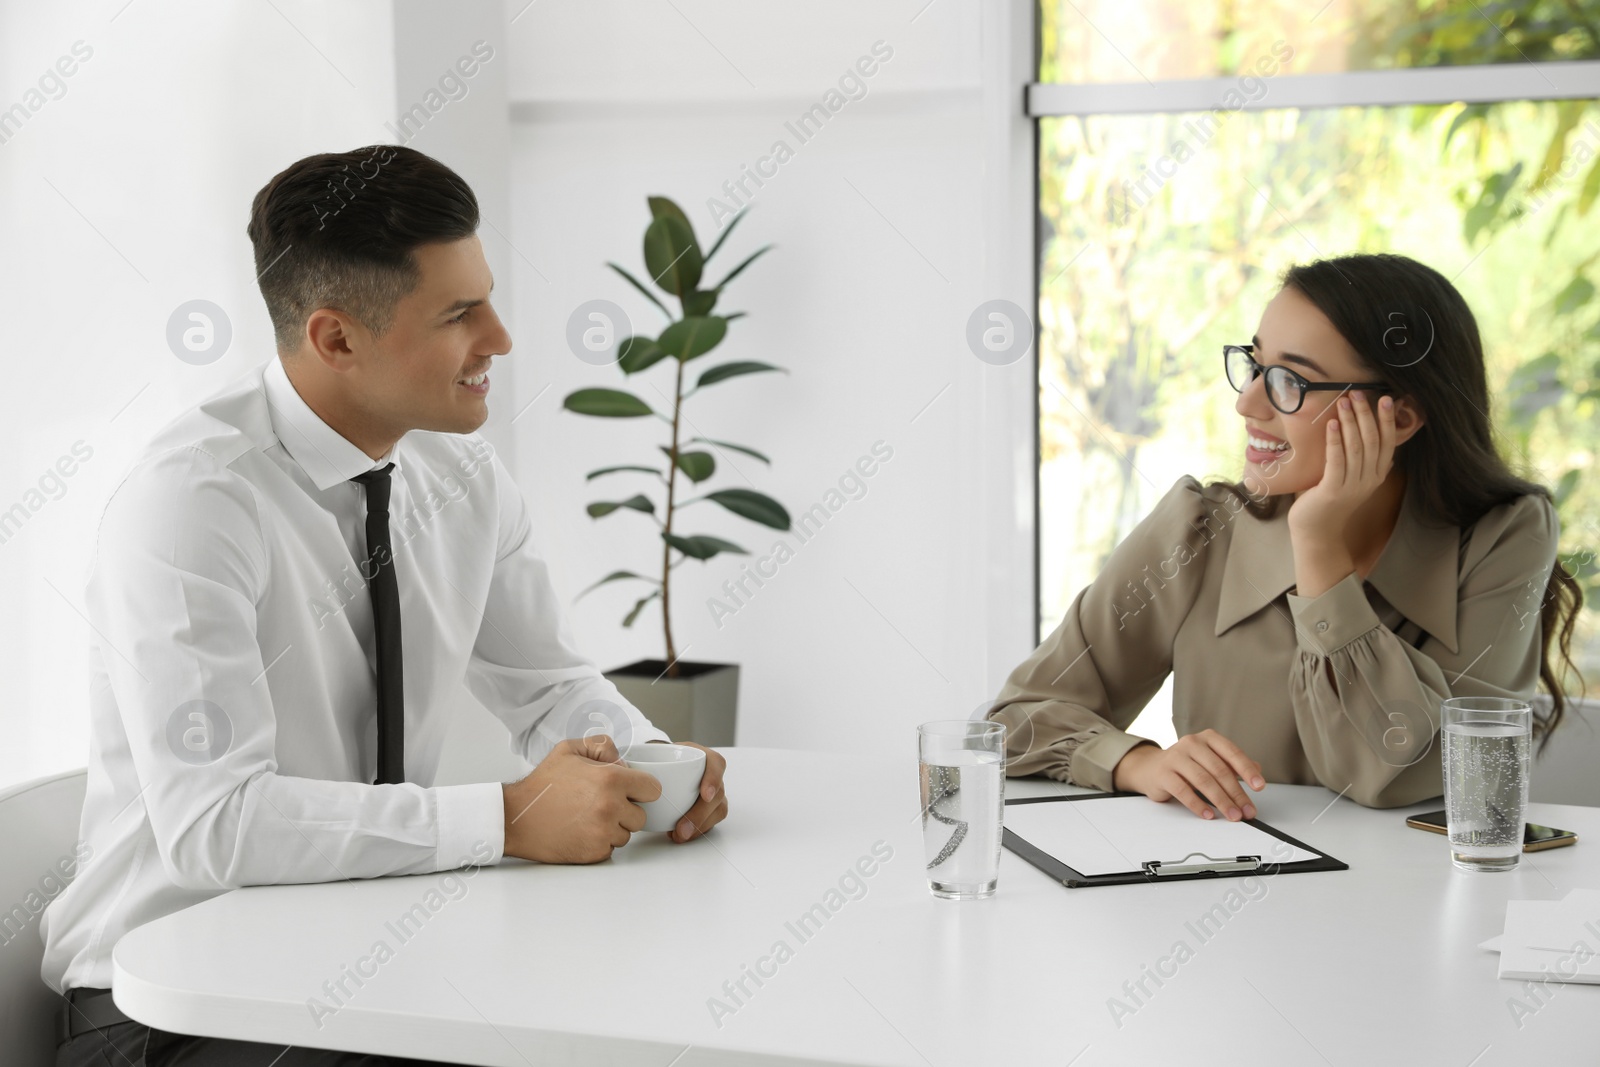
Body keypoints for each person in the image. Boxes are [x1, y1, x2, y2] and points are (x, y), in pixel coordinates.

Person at [42, 145, 728, 1067]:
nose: (502, 337)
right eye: (459, 313)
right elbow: (219, 826)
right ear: (336, 339)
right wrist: (513, 817)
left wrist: (652, 764)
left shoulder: (461, 472)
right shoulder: (193, 505)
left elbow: (550, 686)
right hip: (168, 1009)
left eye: (485, 296)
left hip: (360, 961)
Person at [989, 252, 1584, 820]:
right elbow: (1012, 722)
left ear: (1398, 418)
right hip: (1218, 895)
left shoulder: (1504, 535)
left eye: (1290, 381)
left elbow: (1404, 776)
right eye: (1254, 365)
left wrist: (1321, 548)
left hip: (1426, 908)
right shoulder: (1199, 530)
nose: (1248, 403)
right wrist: (1135, 761)